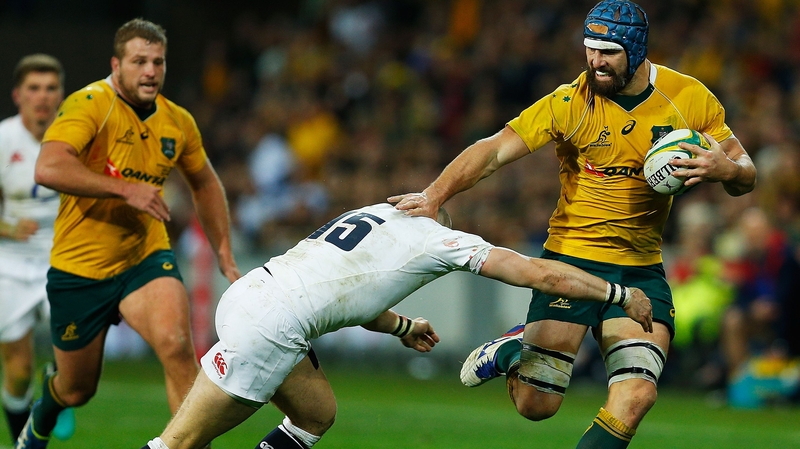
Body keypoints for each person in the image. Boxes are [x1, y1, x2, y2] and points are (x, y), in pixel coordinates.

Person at [389, 1, 756, 447]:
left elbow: (744, 169)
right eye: (590, 49)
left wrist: (729, 171)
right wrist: (434, 195)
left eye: (609, 52)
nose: (595, 62)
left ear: (637, 50)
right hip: (571, 264)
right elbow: (493, 151)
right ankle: (514, 346)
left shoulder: (688, 97)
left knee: (637, 394)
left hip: (641, 267)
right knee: (535, 406)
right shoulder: (570, 102)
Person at [141, 202, 653, 449]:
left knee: (316, 414)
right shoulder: (440, 239)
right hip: (274, 325)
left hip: (249, 295)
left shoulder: (376, 213)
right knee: (178, 444)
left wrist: (402, 325)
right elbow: (537, 273)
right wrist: (615, 292)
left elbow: (349, 291)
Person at [15, 18, 241, 449]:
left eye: (158, 62)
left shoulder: (177, 121)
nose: (151, 71)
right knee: (78, 388)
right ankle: (47, 404)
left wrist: (224, 252)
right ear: (116, 65)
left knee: (177, 347)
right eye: (140, 61)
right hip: (80, 268)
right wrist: (125, 188)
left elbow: (205, 182)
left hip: (144, 257)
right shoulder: (89, 106)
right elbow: (48, 167)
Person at [0, 54, 76, 443]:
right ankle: (23, 442)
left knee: (77, 356)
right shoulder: (3, 139)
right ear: (18, 95)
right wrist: (8, 227)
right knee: (16, 369)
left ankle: (56, 385)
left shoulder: (77, 136)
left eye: (50, 88)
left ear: (61, 94)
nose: (42, 97)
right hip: (9, 263)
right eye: (33, 88)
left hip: (64, 258)